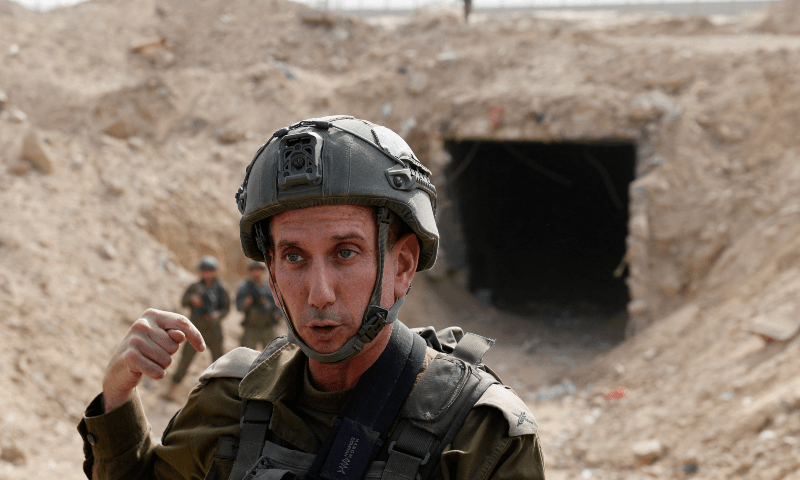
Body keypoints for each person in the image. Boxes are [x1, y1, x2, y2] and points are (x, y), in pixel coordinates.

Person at [77, 116, 546, 480]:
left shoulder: (477, 434)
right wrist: (118, 396)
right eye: (294, 257)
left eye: (345, 252)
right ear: (273, 275)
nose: (319, 294)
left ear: (401, 266)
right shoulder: (229, 401)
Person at [165, 255, 231, 400]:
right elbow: (183, 302)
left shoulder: (221, 289)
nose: (206, 273)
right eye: (204, 270)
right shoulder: (195, 287)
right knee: (185, 359)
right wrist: (192, 300)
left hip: (214, 330)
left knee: (218, 362)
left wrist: (216, 315)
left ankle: (220, 395)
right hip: (196, 330)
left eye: (209, 270)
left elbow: (226, 308)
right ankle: (173, 388)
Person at [236, 260, 281, 350]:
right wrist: (246, 303)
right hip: (251, 328)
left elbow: (278, 303)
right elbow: (239, 306)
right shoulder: (245, 286)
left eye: (258, 270)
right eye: (254, 270)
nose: (256, 272)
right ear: (250, 271)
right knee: (248, 355)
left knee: (271, 356)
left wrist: (278, 315)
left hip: (268, 327)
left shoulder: (270, 286)